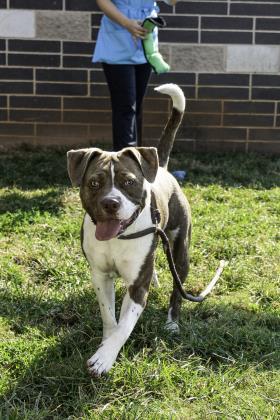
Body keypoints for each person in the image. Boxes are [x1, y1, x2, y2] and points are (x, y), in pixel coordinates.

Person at [92, 0, 177, 152]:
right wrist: (127, 23)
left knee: (135, 107)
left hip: (146, 41)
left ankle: (134, 159)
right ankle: (126, 166)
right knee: (125, 107)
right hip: (118, 38)